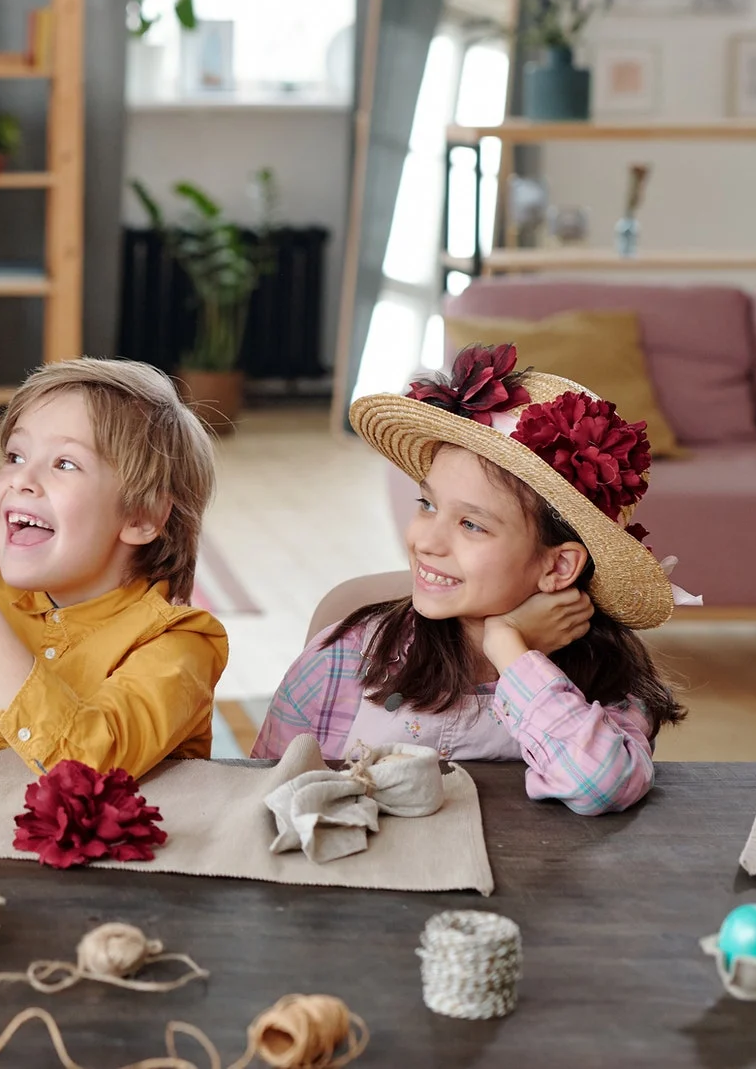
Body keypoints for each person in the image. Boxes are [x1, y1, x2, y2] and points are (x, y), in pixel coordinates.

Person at [254, 343, 687, 815]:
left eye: (471, 525)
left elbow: (600, 785)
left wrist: (510, 649)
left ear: (558, 567)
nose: (427, 542)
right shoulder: (343, 661)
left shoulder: (607, 681)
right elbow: (260, 796)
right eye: (428, 505)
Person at [0, 358, 228, 776]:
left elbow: (88, 770)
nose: (21, 479)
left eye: (65, 464)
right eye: (16, 456)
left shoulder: (182, 645)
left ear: (142, 517)